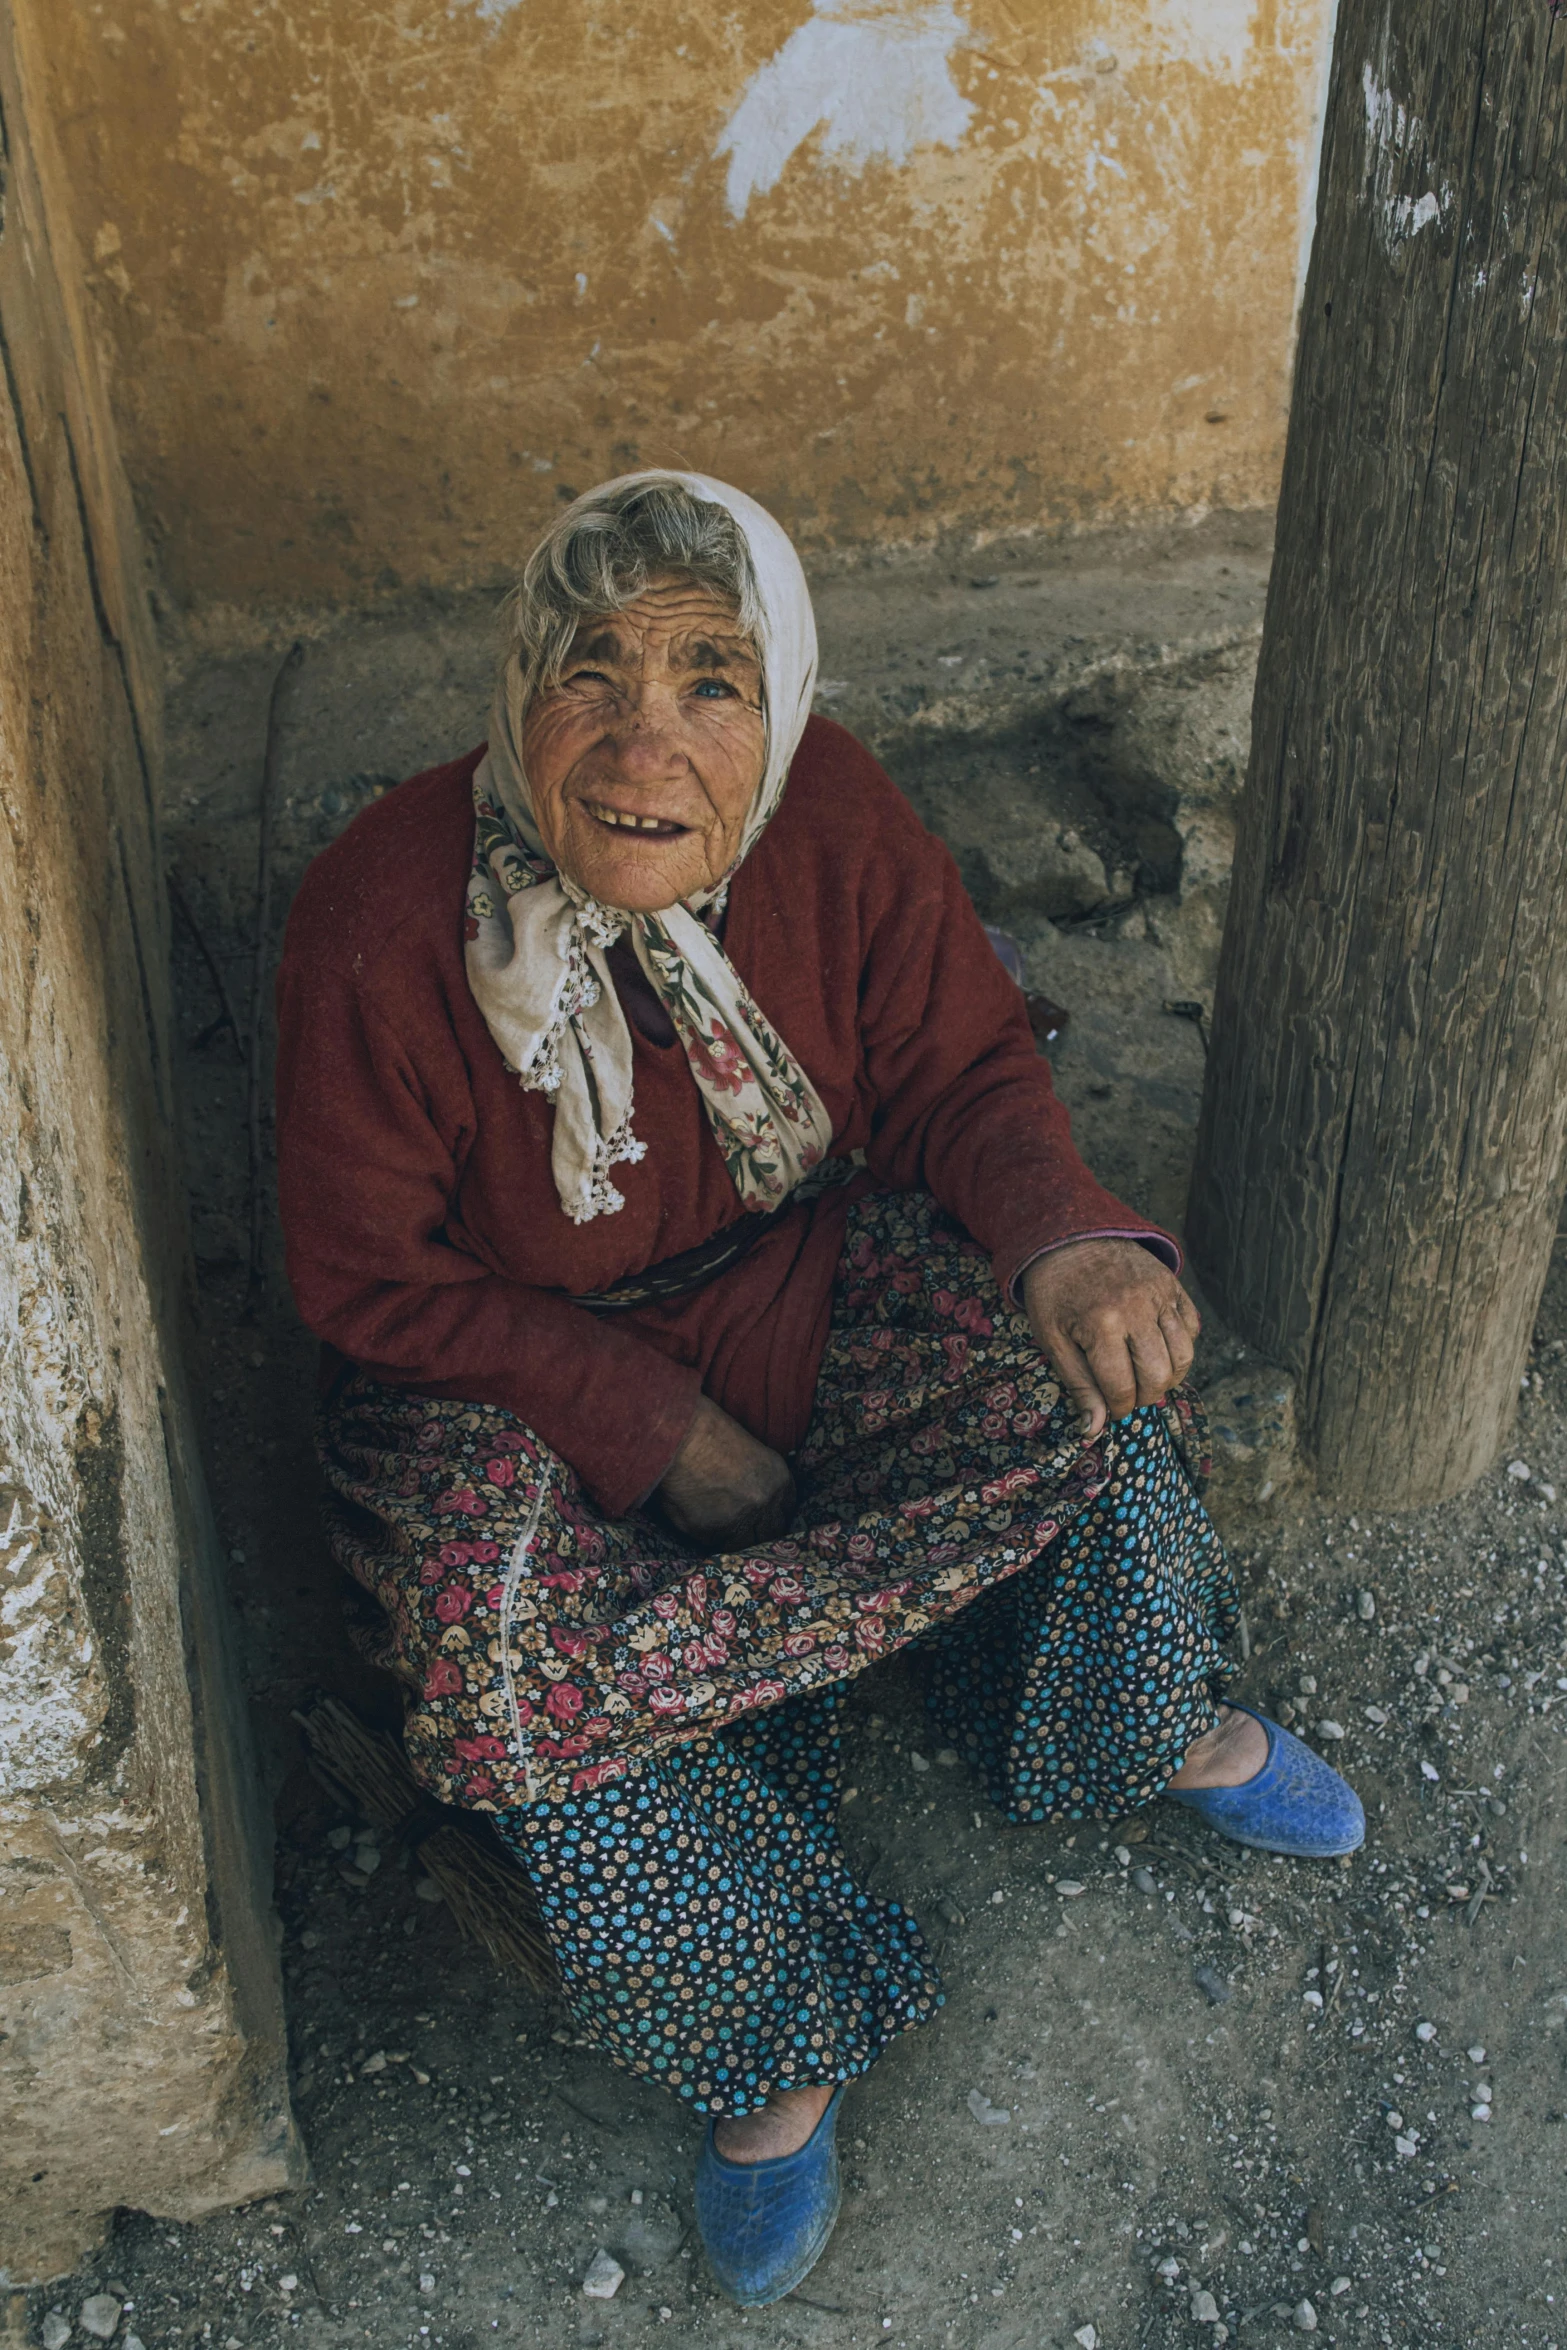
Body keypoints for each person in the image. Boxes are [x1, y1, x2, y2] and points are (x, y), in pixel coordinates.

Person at [275, 472, 1362, 2309]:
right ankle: (770, 2037)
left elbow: (961, 1072)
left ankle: (1129, 1718)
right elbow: (371, 1279)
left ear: (777, 702)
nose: (645, 739)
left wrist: (1057, 1242)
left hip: (806, 1255)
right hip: (511, 1367)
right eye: (591, 669)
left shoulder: (834, 820)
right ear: (513, 684)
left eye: (711, 676)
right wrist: (650, 1428)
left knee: (1087, 1392)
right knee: (498, 1677)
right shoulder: (384, 919)